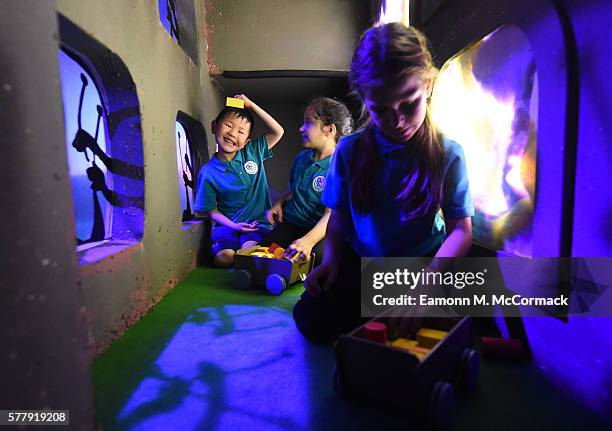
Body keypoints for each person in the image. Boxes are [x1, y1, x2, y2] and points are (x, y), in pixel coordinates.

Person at [293, 23, 474, 343]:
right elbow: (338, 219)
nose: (398, 121)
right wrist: (332, 260)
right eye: (381, 110)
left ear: (428, 86)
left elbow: (461, 229)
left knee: (464, 324)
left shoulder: (448, 153)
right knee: (311, 317)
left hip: (424, 268)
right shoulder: (348, 151)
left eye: (409, 104)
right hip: (364, 268)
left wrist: (426, 285)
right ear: (365, 99)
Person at [261, 97, 353, 266]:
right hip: (291, 225)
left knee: (316, 261)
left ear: (329, 129)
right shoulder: (301, 158)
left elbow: (331, 214)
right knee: (264, 252)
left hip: (320, 231)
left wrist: (308, 242)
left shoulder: (340, 166)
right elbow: (294, 189)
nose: (301, 128)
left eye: (308, 123)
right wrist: (279, 202)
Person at [194, 94, 284, 267]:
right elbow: (211, 210)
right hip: (228, 228)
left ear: (245, 142)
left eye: (241, 131)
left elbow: (278, 131)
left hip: (256, 226)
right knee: (224, 257)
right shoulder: (208, 172)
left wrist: (250, 105)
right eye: (228, 125)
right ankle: (242, 261)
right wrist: (235, 226)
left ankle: (247, 261)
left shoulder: (253, 151)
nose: (232, 133)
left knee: (249, 251)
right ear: (214, 126)